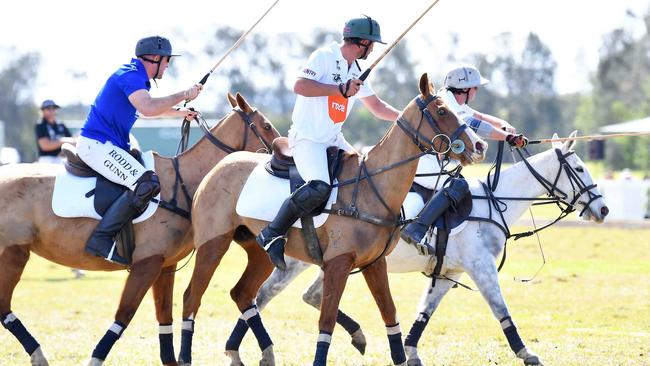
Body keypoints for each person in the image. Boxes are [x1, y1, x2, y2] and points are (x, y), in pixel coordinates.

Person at [256, 16, 401, 270]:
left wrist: (407, 120)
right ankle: (272, 233)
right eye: (372, 44)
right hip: (307, 139)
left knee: (364, 177)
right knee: (319, 187)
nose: (373, 49)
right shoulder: (324, 56)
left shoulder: (356, 69)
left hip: (334, 138)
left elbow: (377, 107)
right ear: (363, 42)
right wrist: (340, 89)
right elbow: (300, 85)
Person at [77, 35, 202, 265]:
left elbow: (146, 110)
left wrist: (180, 112)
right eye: (166, 61)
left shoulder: (137, 77)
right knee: (148, 183)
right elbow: (149, 107)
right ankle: (101, 239)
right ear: (155, 58)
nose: (167, 66)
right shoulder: (130, 75)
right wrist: (185, 93)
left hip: (110, 144)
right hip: (96, 145)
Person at [401, 64, 529, 249]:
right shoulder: (448, 102)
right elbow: (474, 124)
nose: (477, 91)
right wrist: (508, 137)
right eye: (475, 88)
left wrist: (504, 125)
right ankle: (416, 230)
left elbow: (480, 116)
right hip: (425, 162)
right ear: (465, 89)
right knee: (457, 185)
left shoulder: (455, 101)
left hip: (433, 162)